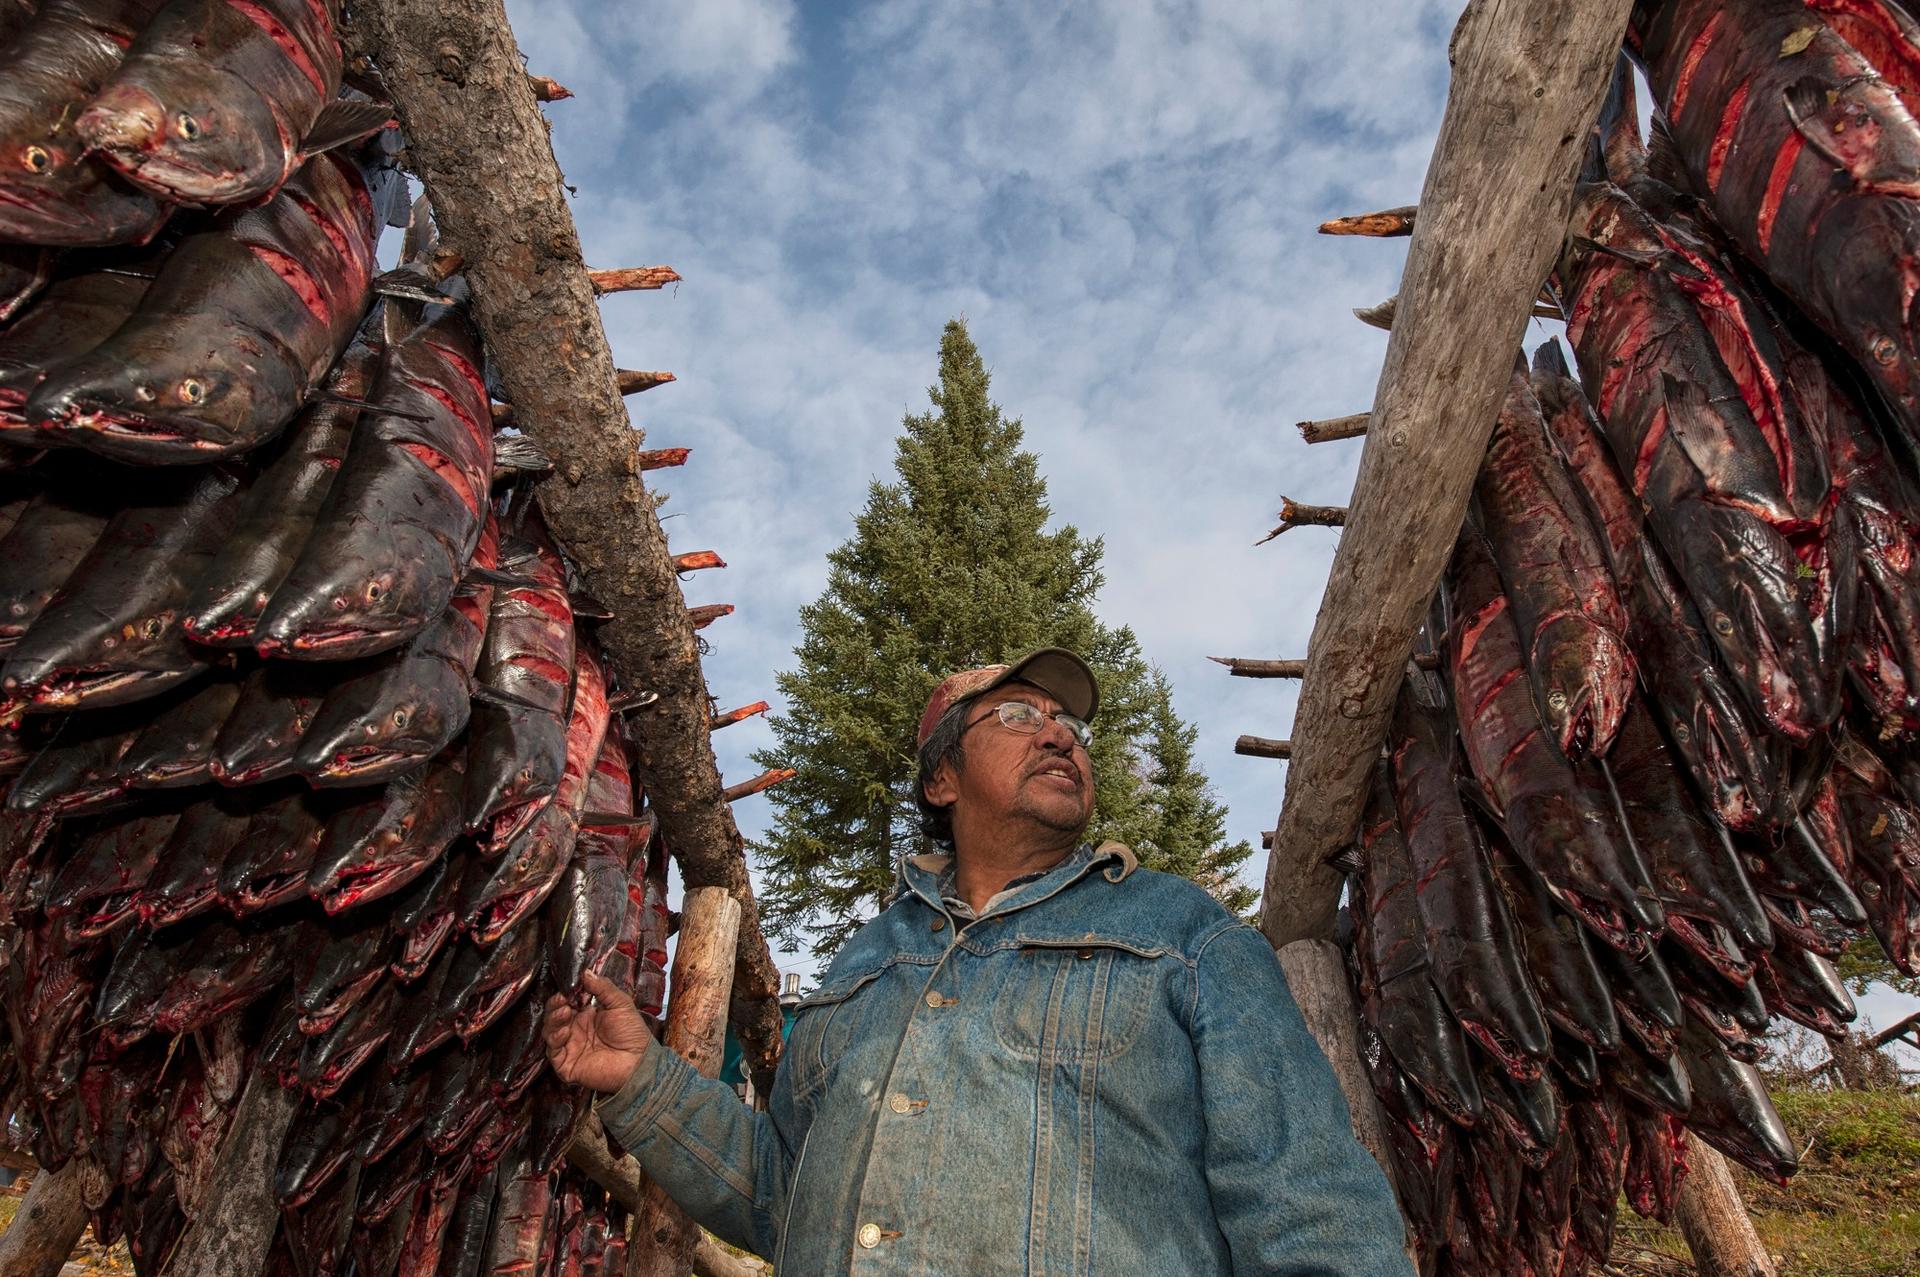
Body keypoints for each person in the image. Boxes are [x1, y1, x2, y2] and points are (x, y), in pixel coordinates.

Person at [545, 647, 1412, 1275]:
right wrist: (639, 1078)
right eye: (1019, 715)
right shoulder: (860, 966)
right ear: (941, 781)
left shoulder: (1185, 936)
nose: (1062, 736)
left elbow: (1315, 1218)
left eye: (1070, 724)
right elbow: (782, 1195)